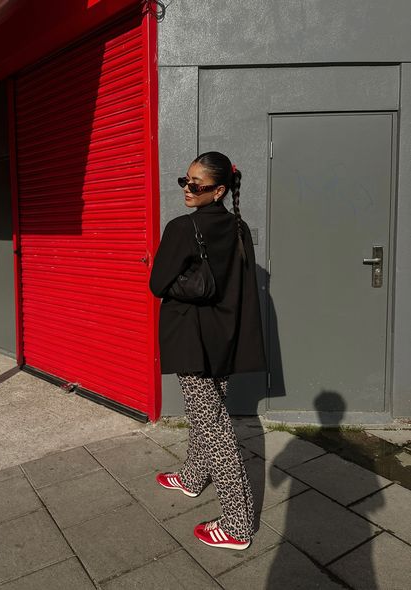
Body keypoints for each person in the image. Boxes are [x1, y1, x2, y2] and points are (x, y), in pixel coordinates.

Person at [149, 151, 266, 550]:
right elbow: (241, 286)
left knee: (216, 428)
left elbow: (156, 282)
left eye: (197, 184)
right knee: (208, 414)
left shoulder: (182, 227)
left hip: (193, 338)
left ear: (218, 190)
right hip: (225, 337)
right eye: (185, 180)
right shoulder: (239, 228)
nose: (187, 189)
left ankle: (237, 523)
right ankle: (194, 476)